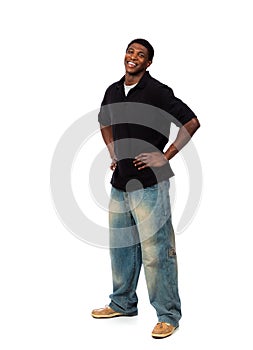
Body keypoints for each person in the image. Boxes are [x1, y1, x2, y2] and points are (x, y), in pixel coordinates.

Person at [91, 38, 200, 339]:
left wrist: (165, 155)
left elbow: (191, 122)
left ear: (148, 63)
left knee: (157, 253)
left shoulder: (158, 92)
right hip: (120, 184)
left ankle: (168, 315)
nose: (133, 57)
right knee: (122, 249)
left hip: (150, 184)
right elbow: (103, 120)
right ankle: (123, 303)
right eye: (130, 51)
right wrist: (112, 150)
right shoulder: (113, 90)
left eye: (141, 55)